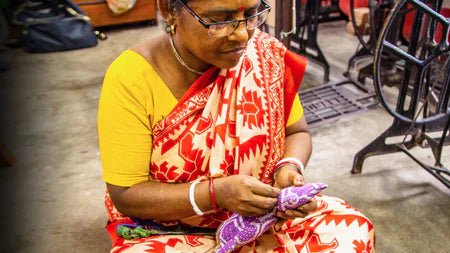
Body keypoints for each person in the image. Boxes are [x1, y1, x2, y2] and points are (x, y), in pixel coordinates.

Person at [98, 0, 376, 252]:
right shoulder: (133, 77)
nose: (243, 34)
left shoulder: (264, 56)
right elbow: (127, 193)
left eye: (253, 14)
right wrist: (216, 194)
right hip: (172, 227)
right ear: (169, 10)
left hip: (263, 217)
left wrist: (288, 168)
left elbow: (297, 131)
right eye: (219, 19)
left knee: (352, 233)